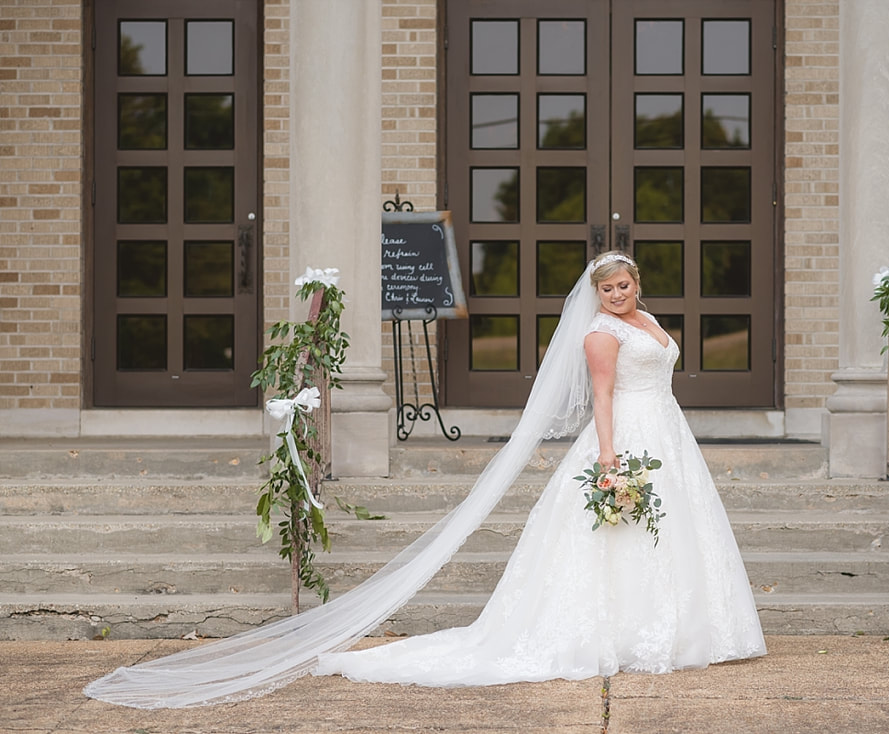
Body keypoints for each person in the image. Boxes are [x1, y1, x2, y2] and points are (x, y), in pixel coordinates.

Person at [84, 252, 765, 707]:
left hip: (669, 436)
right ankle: (613, 632)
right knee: (614, 535)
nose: (617, 295)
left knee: (677, 535)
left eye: (624, 286)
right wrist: (609, 460)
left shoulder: (646, 321)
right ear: (596, 293)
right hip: (626, 439)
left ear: (637, 284)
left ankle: (677, 629)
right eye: (607, 289)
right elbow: (603, 400)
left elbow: (657, 374)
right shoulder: (597, 335)